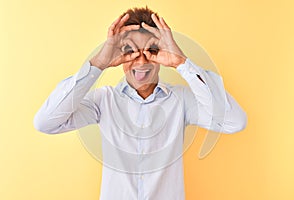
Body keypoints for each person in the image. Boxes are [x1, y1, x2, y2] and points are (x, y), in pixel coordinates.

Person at [34, 7, 247, 200]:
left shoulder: (181, 100)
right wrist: (99, 63)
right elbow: (46, 122)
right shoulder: (104, 100)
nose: (142, 61)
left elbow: (234, 122)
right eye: (131, 51)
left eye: (151, 51)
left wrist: (181, 62)